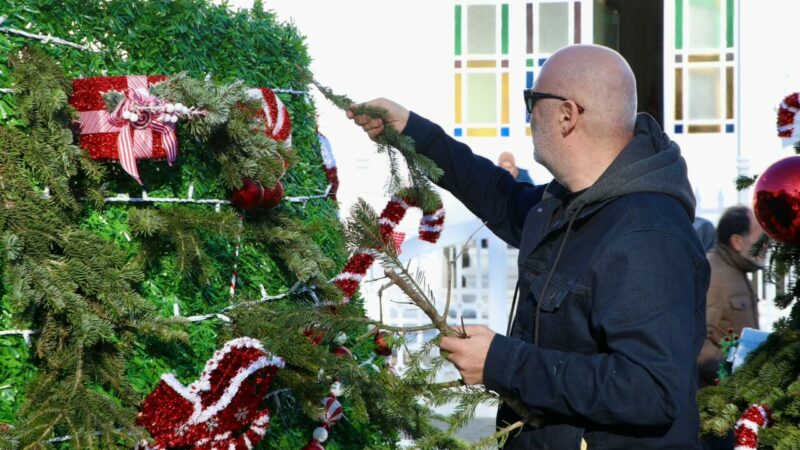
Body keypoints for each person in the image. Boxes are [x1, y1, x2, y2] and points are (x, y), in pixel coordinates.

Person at [348, 44, 708, 449]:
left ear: (567, 115)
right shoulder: (568, 205)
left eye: (532, 101)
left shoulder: (647, 234)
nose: (528, 115)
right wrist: (414, 131)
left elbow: (651, 390)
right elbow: (496, 193)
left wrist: (502, 362)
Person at [697, 206, 764, 387]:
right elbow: (696, 342)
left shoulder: (737, 269)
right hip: (719, 396)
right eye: (759, 240)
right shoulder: (714, 275)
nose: (767, 245)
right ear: (737, 241)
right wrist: (731, 370)